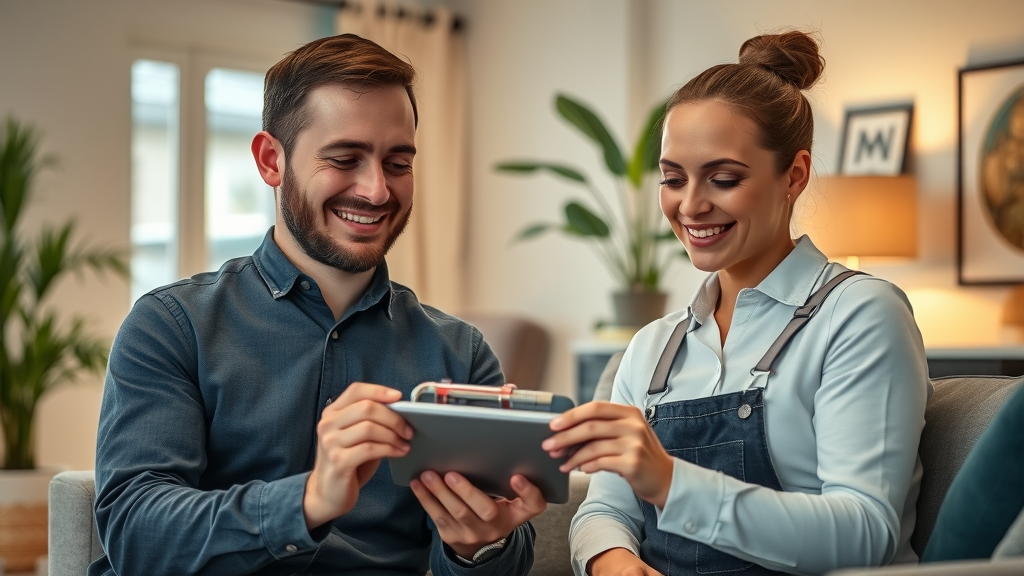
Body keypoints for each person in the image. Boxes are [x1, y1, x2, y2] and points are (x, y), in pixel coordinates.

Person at [91, 33, 544, 576]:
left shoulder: (459, 353)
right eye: (345, 158)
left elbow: (505, 560)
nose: (377, 190)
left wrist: (480, 546)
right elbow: (135, 533)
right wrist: (308, 501)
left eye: (398, 163)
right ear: (270, 161)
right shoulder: (172, 325)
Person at [543, 31, 931, 576]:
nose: (692, 205)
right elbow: (606, 508)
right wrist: (615, 563)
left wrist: (672, 482)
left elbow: (866, 531)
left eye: (723, 179)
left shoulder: (861, 316)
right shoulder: (651, 347)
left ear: (794, 175)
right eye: (673, 179)